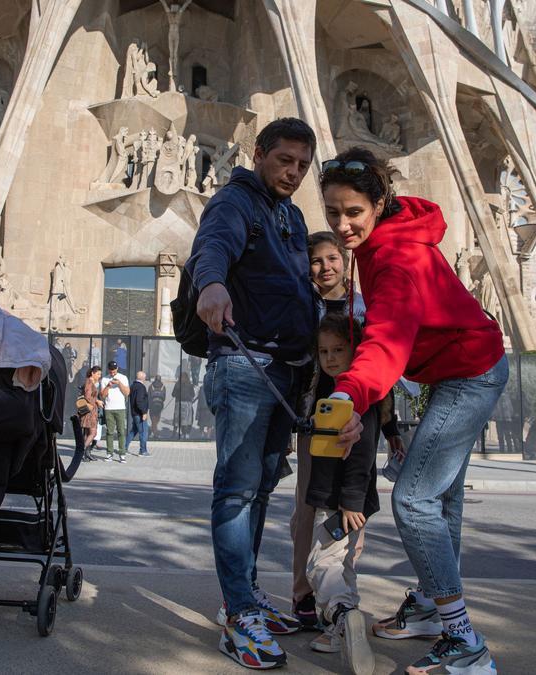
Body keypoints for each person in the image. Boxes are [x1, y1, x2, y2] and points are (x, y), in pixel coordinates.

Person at [323, 147, 507, 675]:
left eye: (353, 212)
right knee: (440, 499)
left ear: (378, 204)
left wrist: (348, 394)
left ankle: (464, 642)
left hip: (469, 374)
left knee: (414, 499)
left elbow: (386, 342)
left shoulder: (396, 260)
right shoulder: (384, 242)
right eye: (333, 212)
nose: (342, 225)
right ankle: (430, 606)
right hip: (460, 370)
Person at [186, 117, 318, 670]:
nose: (293, 172)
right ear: (260, 153)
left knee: (261, 488)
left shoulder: (290, 214)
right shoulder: (235, 202)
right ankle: (239, 614)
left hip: (285, 370)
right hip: (245, 365)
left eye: (302, 166)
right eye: (284, 160)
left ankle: (248, 596)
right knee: (237, 491)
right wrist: (211, 284)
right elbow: (211, 248)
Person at [289, 231, 385, 632]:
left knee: (351, 506)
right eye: (316, 260)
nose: (324, 267)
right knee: (308, 509)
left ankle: (341, 589)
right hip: (316, 418)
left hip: (360, 413)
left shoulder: (363, 308)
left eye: (331, 259)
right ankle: (304, 594)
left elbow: (382, 363)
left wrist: (390, 424)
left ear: (344, 262)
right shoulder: (303, 305)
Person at [304, 314, 388, 675]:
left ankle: (341, 615)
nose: (331, 357)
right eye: (324, 351)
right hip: (348, 501)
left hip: (340, 501)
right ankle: (341, 629)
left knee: (320, 564)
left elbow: (364, 451)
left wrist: (351, 499)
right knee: (345, 565)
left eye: (339, 349)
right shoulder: (332, 392)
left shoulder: (352, 398)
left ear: (356, 351)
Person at [99, 361, 131, 463]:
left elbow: (127, 393)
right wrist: (108, 386)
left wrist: (119, 384)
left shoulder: (123, 377)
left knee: (121, 431)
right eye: (111, 371)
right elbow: (102, 396)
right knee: (109, 432)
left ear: (117, 369)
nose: (113, 373)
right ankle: (109, 454)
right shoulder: (104, 379)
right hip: (109, 408)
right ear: (108, 369)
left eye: (114, 370)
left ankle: (122, 454)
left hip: (121, 408)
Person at [80, 366, 103, 461]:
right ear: (92, 373)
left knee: (87, 433)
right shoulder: (89, 382)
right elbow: (87, 397)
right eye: (98, 374)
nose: (99, 376)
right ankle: (81, 452)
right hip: (89, 411)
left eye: (100, 374)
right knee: (93, 432)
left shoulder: (91, 382)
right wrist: (97, 401)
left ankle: (87, 453)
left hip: (91, 410)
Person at [127, 371, 151, 456]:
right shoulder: (141, 387)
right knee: (143, 432)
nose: (145, 378)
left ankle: (124, 448)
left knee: (133, 431)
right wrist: (144, 412)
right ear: (143, 378)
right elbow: (139, 401)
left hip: (134, 413)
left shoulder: (133, 385)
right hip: (139, 414)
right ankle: (143, 451)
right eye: (145, 377)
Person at [149, 375, 167, 439]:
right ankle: (153, 431)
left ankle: (154, 433)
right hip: (160, 405)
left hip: (152, 404)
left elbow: (149, 396)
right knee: (157, 418)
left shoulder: (151, 386)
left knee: (153, 419)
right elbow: (164, 397)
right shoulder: (163, 386)